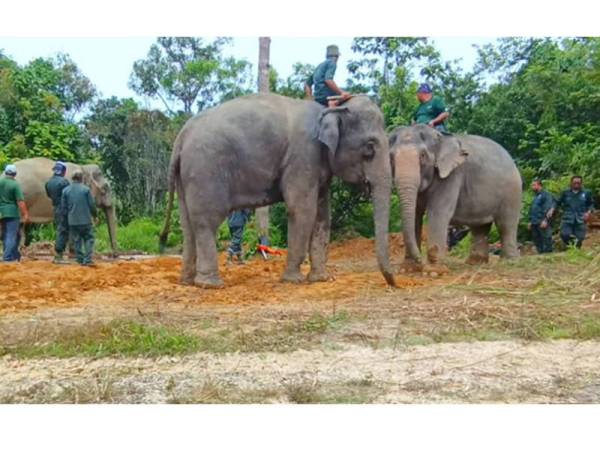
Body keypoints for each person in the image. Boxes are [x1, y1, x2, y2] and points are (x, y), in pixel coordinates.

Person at [60, 170, 97, 266]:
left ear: (72, 178)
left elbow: (63, 208)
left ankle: (80, 259)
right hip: (86, 220)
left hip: (72, 221)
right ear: (82, 178)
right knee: (89, 238)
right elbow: (92, 205)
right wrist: (95, 215)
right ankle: (88, 260)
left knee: (76, 240)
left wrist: (65, 219)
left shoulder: (65, 190)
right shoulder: (86, 190)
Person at [548, 176, 594, 249]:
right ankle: (571, 247)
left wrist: (588, 212)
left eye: (578, 183)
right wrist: (552, 209)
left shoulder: (586, 193)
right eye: (574, 183)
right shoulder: (565, 193)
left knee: (580, 238)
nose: (576, 184)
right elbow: (557, 202)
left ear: (581, 183)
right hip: (567, 218)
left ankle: (575, 251)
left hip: (581, 219)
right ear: (571, 183)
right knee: (564, 235)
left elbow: (591, 204)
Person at [0, 164, 30, 262]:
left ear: (5, 172)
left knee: (6, 235)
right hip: (12, 213)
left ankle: (13, 255)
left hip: (1, 213)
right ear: (15, 174)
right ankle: (7, 258)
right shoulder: (15, 184)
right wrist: (25, 214)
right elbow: (20, 201)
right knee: (11, 235)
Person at [45, 161, 70, 263]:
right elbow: (69, 195)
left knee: (60, 229)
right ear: (63, 171)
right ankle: (58, 255)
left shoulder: (49, 183)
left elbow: (49, 195)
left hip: (55, 208)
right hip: (64, 209)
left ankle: (61, 253)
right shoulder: (64, 182)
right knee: (63, 230)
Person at [528, 179, 555, 254]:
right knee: (537, 240)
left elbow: (548, 208)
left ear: (539, 185)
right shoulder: (535, 197)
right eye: (532, 185)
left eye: (534, 185)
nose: (532, 187)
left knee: (546, 239)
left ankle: (548, 255)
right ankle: (540, 255)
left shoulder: (546, 195)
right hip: (534, 222)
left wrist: (545, 220)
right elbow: (532, 210)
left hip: (542, 222)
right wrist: (530, 221)